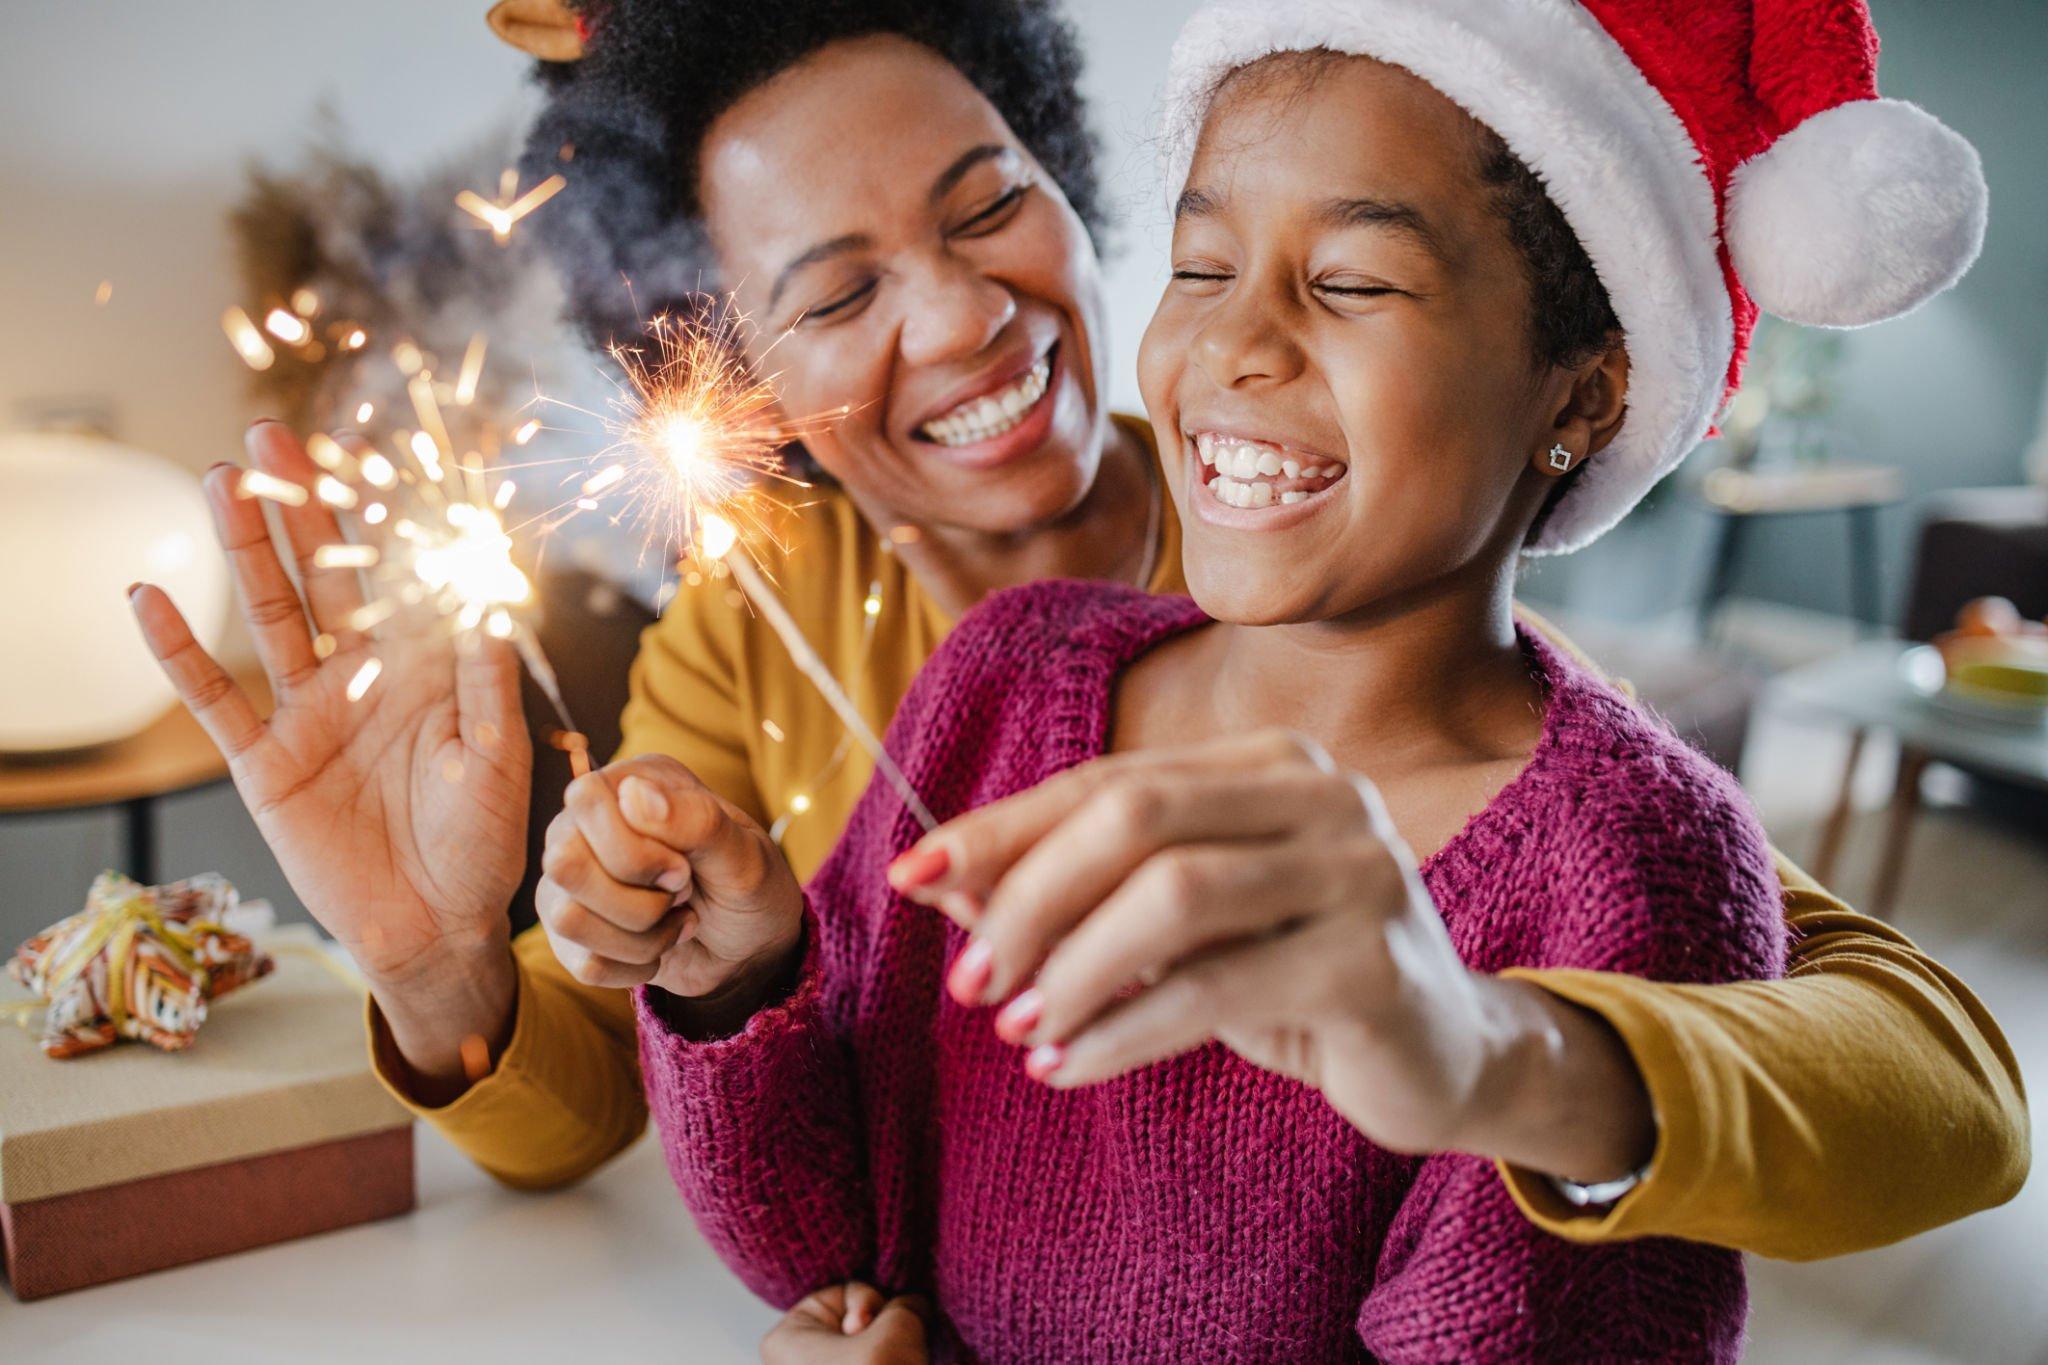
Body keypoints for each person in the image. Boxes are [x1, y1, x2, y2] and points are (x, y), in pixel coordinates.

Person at [126, 0, 2021, 1347]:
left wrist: (1506, 1060)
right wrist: (438, 965)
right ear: (731, 374)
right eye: (836, 289)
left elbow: (1902, 1056)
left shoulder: (1361, 561)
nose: (958, 316)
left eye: (984, 204)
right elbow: (672, 1123)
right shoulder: (780, 644)